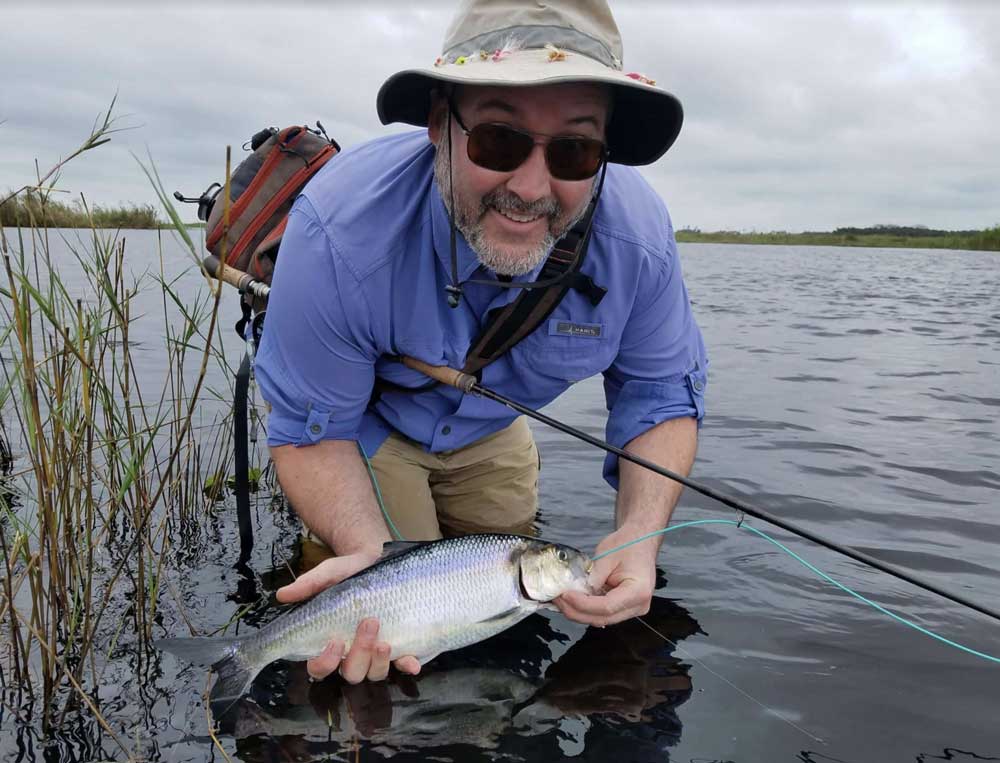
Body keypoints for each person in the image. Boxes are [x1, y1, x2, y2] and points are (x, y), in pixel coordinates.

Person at [255, 0, 707, 685]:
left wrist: (639, 538)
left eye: (575, 150)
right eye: (498, 139)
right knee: (388, 629)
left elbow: (660, 394)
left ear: (604, 151)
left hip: (494, 428)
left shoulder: (638, 244)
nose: (531, 188)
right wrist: (375, 564)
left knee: (508, 592)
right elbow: (313, 430)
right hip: (364, 427)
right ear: (439, 125)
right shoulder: (336, 231)